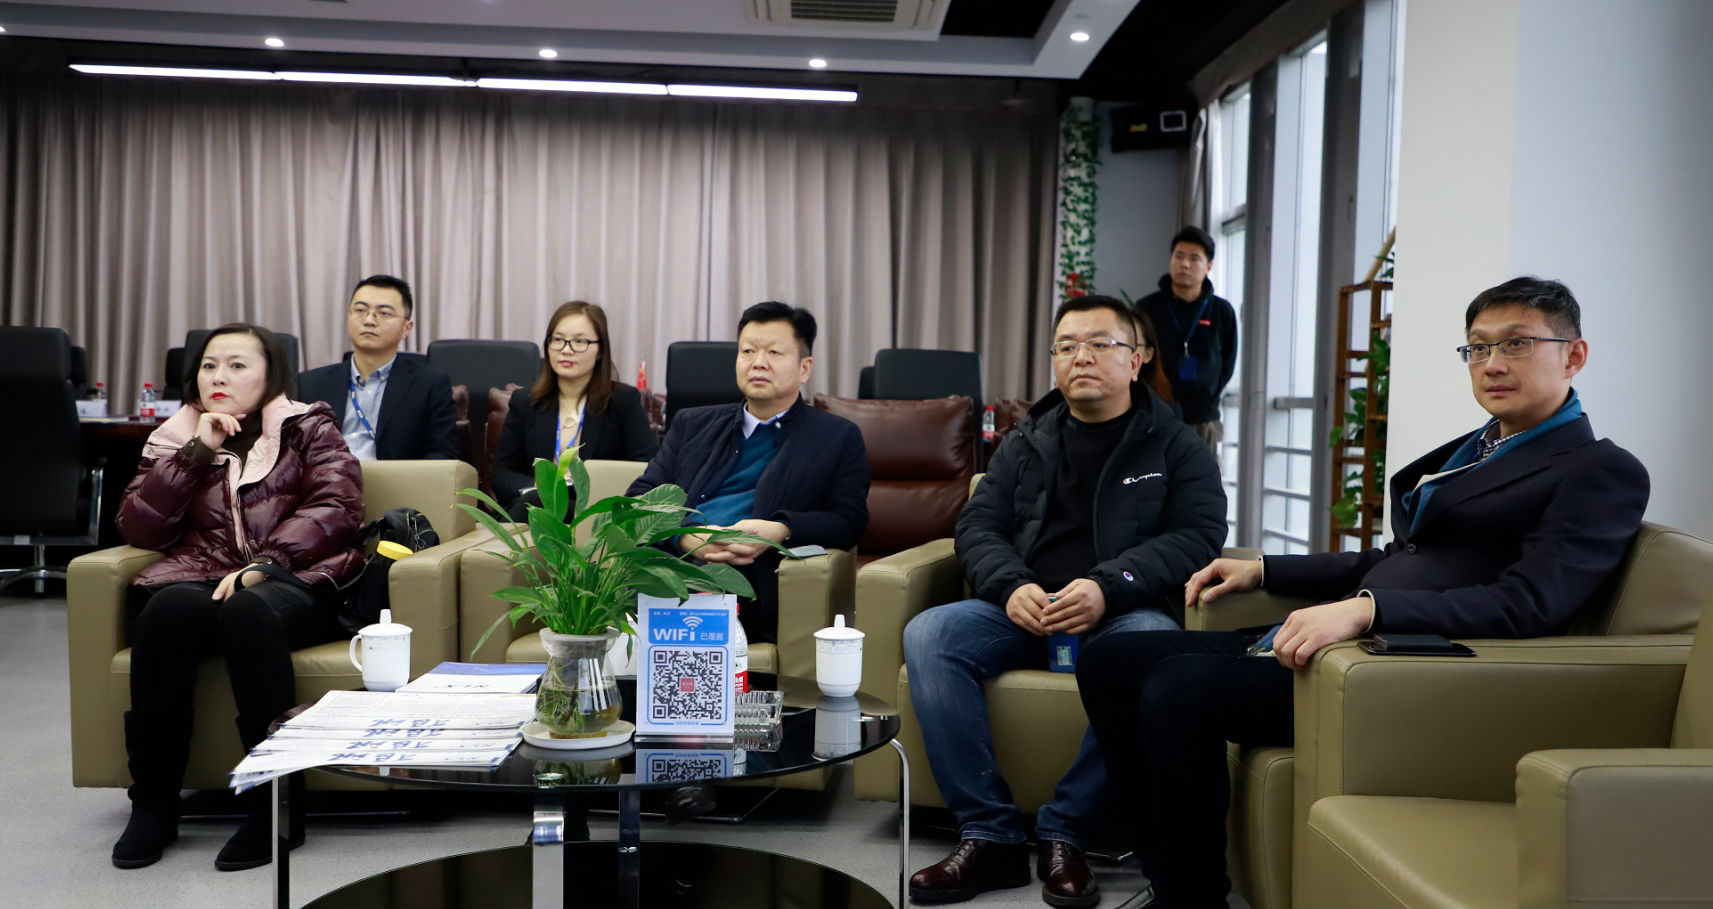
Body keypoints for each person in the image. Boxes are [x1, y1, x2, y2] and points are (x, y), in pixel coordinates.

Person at [1076, 277, 1650, 907]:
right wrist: (1266, 571)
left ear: (1573, 355)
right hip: (1349, 644)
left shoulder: (1600, 470)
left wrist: (1367, 610)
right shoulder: (1484, 447)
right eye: (1478, 347)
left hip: (1407, 671)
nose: (1492, 364)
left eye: (1516, 344)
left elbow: (1529, 602)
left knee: (1179, 685)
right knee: (1110, 661)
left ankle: (1191, 897)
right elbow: (1398, 557)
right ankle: (1163, 866)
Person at [904, 294, 1227, 908]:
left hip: (1123, 614)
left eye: (1100, 344)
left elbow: (1199, 535)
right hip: (1024, 611)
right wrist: (1011, 586)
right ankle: (990, 835)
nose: (1082, 357)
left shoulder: (1176, 445)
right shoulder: (1026, 441)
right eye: (1067, 346)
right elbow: (978, 526)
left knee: (1144, 648)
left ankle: (1066, 833)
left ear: (1136, 359)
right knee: (931, 634)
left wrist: (1109, 586)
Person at [112, 323, 365, 872]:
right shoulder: (178, 436)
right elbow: (140, 528)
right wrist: (196, 452)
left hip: (299, 580)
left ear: (270, 375)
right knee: (166, 610)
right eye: (209, 366)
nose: (218, 377)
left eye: (236, 365)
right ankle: (153, 803)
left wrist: (267, 564)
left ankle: (273, 803)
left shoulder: (307, 427)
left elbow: (337, 506)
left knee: (250, 611)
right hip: (208, 576)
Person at [626, 301, 869, 642]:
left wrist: (779, 530)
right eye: (748, 351)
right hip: (671, 567)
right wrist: (685, 536)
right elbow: (638, 500)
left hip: (751, 582)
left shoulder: (836, 437)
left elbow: (848, 520)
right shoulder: (692, 424)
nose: (758, 362)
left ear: (804, 368)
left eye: (774, 352)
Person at [492, 301, 659, 520]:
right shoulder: (526, 402)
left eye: (580, 341)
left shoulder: (623, 401)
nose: (566, 350)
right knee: (535, 502)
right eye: (558, 340)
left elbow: (644, 469)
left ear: (600, 350)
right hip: (534, 508)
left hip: (596, 514)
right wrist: (541, 487)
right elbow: (501, 474)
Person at [296, 274, 461, 461]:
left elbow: (443, 455)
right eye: (360, 310)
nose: (369, 320)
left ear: (407, 328)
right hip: (326, 478)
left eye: (384, 313)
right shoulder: (309, 384)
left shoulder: (429, 385)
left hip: (397, 479)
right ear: (349, 317)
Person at [1131, 226, 1238, 455]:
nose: (1185, 264)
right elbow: (1134, 356)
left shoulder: (1222, 311)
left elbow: (1227, 363)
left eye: (1194, 258)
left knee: (1203, 477)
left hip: (1203, 419)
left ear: (1209, 266)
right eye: (1178, 256)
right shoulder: (1147, 308)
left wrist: (1208, 389)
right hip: (1156, 416)